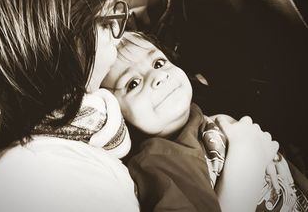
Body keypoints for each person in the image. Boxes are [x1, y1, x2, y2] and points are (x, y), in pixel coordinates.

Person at [0, 0, 140, 211]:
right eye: (108, 20)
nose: (118, 38)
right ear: (52, 42)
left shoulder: (30, 146)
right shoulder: (57, 186)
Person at [101, 31, 308, 212]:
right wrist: (245, 155)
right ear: (113, 113)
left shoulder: (205, 120)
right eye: (133, 83)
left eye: (158, 63)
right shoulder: (155, 163)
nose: (158, 76)